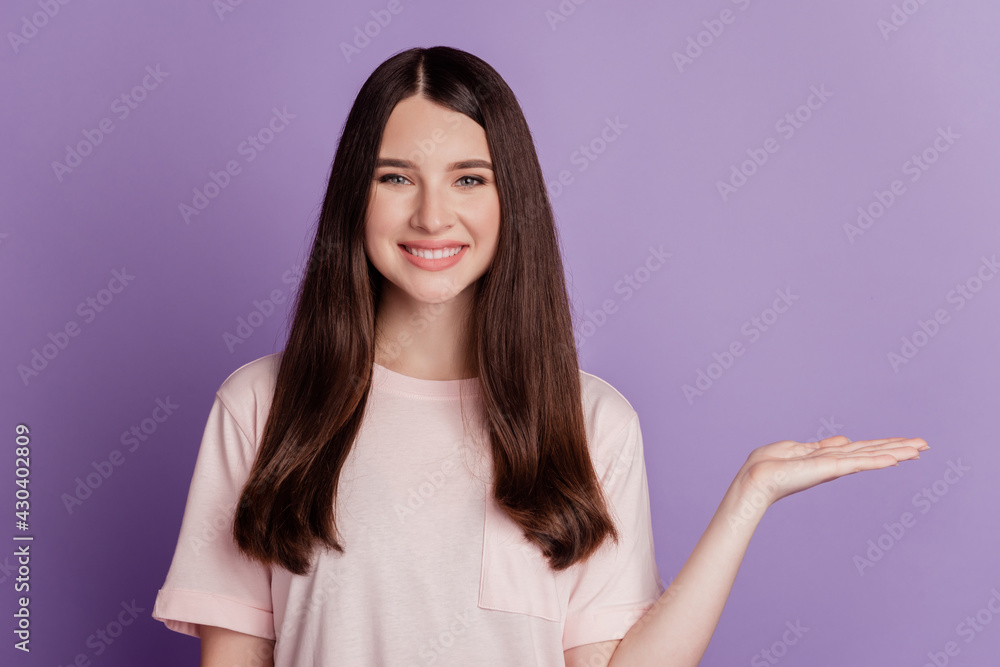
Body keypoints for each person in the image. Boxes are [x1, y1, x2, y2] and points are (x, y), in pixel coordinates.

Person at [151, 46, 929, 667]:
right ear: (356, 194)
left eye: (468, 178)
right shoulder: (261, 404)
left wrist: (749, 496)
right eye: (396, 177)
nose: (432, 214)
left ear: (509, 199)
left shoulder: (591, 422)